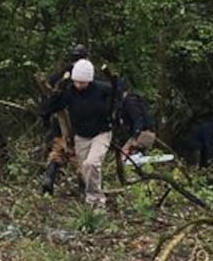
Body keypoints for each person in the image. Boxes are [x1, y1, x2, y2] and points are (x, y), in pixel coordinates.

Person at [40, 58, 116, 208]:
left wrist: (115, 114)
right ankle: (90, 197)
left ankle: (96, 201)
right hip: (81, 136)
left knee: (92, 163)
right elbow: (50, 106)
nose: (79, 85)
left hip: (101, 133)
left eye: (83, 82)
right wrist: (59, 90)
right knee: (84, 170)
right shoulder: (69, 92)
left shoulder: (102, 89)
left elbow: (118, 95)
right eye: (77, 81)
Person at [37, 44, 90, 193]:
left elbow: (49, 99)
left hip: (58, 119)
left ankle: (49, 177)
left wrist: (45, 116)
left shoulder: (58, 75)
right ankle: (84, 187)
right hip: (77, 118)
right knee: (79, 153)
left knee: (59, 150)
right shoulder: (85, 77)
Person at [113, 79, 157, 176]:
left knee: (123, 156)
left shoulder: (129, 103)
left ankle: (129, 176)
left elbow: (138, 119)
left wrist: (135, 137)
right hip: (146, 133)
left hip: (143, 134)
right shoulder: (129, 101)